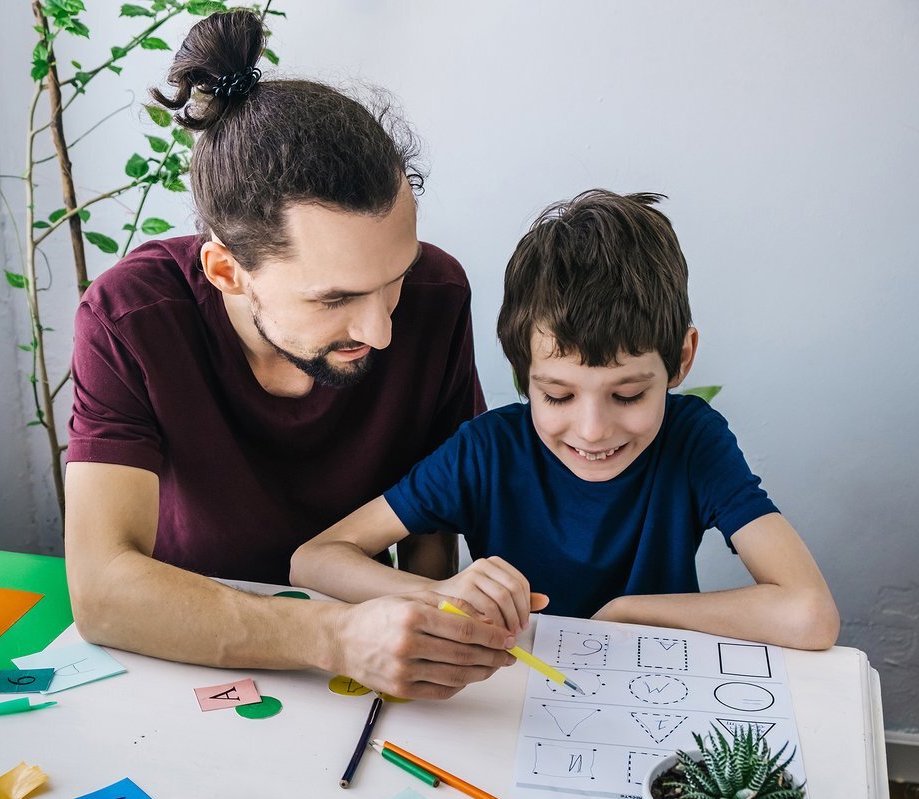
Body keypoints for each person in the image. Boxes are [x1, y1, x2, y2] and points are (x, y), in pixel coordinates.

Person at [63, 9, 517, 700]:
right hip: (189, 655)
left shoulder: (437, 295)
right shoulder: (129, 318)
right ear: (226, 272)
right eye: (335, 297)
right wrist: (333, 637)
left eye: (393, 277)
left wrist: (428, 636)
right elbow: (101, 591)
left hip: (372, 670)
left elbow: (433, 522)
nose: (382, 329)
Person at [291, 189, 840, 650]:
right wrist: (444, 595)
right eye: (557, 396)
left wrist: (631, 612)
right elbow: (314, 561)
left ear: (681, 360)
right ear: (522, 373)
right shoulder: (486, 452)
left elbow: (810, 613)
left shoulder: (694, 441)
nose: (593, 429)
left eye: (627, 395)